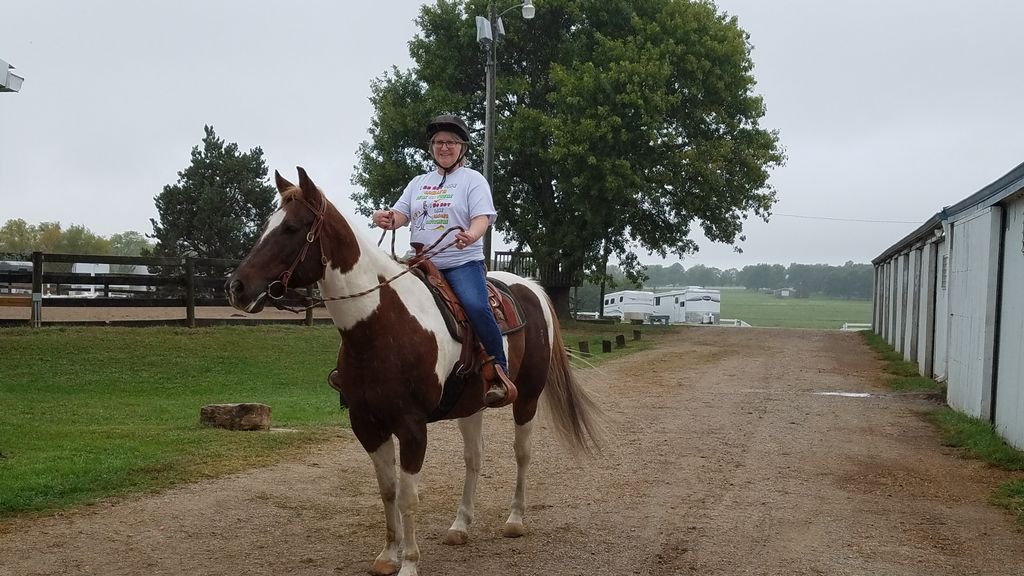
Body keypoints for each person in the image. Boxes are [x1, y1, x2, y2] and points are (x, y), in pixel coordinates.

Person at [372, 114, 515, 408]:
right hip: (420, 263)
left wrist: (471, 235)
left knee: (476, 306)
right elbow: (400, 215)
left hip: (461, 263)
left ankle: (498, 371)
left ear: (462, 147)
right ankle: (362, 369)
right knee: (378, 299)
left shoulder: (473, 180)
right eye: (438, 142)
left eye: (451, 142)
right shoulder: (418, 183)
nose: (444, 147)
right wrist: (385, 218)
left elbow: (482, 218)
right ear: (431, 148)